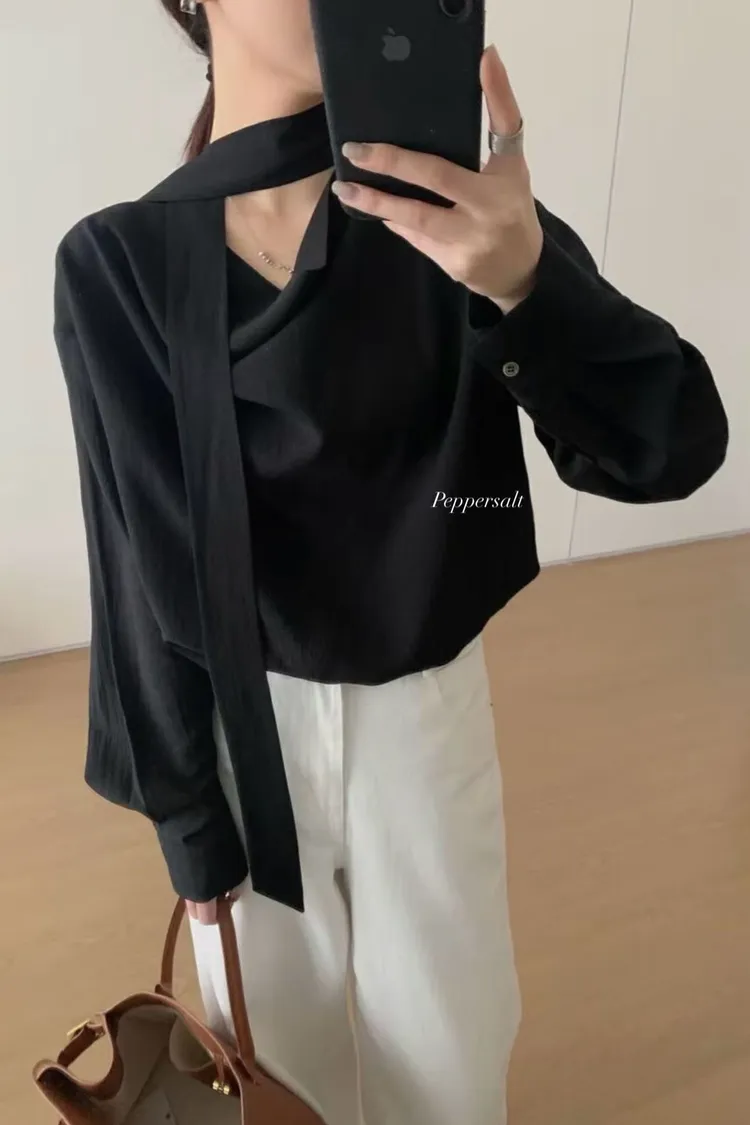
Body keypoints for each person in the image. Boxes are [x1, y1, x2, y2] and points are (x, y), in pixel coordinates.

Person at [53, 1, 728, 1122]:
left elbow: (670, 448)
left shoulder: (452, 216)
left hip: (427, 717)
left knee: (454, 1058)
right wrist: (185, 816)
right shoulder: (121, 261)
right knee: (275, 1076)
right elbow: (132, 566)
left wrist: (525, 281)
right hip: (243, 744)